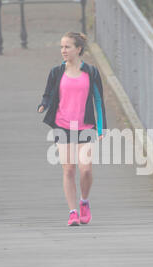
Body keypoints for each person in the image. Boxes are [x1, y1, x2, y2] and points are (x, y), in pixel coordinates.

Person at [37, 32, 107, 226]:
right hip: (63, 126)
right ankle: (73, 212)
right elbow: (48, 94)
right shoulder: (56, 72)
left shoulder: (91, 72)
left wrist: (101, 128)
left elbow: (99, 100)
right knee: (68, 170)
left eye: (67, 47)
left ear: (78, 49)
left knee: (85, 170)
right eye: (61, 47)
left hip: (85, 127)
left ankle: (84, 201)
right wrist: (43, 105)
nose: (63, 51)